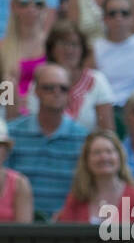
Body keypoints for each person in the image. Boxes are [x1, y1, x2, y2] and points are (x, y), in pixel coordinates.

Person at [5, 62, 88, 222]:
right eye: (49, 87)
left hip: (66, 225)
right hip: (19, 225)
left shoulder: (83, 139)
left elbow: (84, 188)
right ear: (36, 91)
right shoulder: (12, 133)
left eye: (63, 88)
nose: (56, 93)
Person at [56, 130, 134, 224]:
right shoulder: (76, 198)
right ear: (86, 160)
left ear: (119, 157)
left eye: (109, 152)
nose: (104, 157)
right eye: (97, 153)